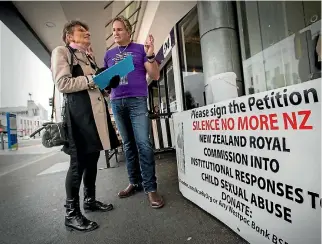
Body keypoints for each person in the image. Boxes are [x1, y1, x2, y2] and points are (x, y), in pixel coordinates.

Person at [51, 20, 120, 232]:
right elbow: (63, 84)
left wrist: (109, 83)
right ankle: (71, 214)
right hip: (79, 116)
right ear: (69, 37)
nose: (87, 32)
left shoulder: (88, 56)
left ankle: (89, 200)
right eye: (82, 31)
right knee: (78, 163)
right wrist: (93, 78)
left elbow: (96, 86)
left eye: (87, 30)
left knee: (92, 158)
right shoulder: (62, 52)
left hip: (95, 116)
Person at [103, 15, 164, 209]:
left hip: (137, 101)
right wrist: (103, 81)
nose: (115, 33)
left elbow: (155, 75)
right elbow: (106, 83)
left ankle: (150, 188)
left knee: (143, 144)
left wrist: (151, 54)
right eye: (113, 30)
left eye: (119, 29)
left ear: (128, 31)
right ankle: (134, 182)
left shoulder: (139, 49)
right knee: (128, 145)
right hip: (116, 102)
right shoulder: (109, 55)